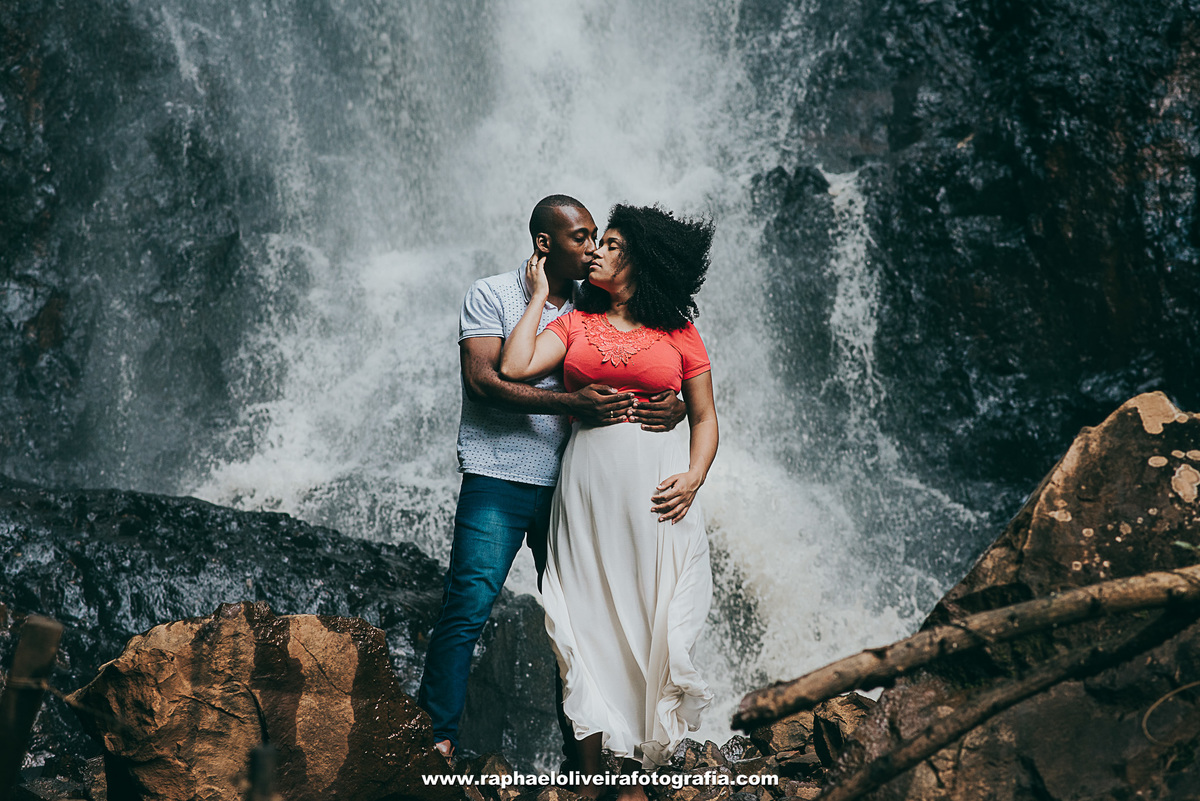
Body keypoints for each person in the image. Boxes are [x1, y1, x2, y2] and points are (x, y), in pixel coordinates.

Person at [416, 195, 687, 763]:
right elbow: (483, 383)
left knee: (581, 620)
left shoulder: (597, 303)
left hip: (572, 489)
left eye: (598, 238)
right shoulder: (492, 294)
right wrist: (571, 402)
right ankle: (436, 739)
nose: (593, 249)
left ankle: (587, 761)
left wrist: (678, 405)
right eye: (580, 238)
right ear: (545, 243)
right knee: (468, 605)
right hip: (498, 477)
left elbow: (647, 362)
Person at [500, 204, 718, 800]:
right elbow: (513, 366)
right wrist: (539, 297)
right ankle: (594, 781)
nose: (595, 250)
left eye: (612, 244)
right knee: (587, 619)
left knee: (651, 616)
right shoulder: (574, 321)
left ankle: (638, 774)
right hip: (587, 490)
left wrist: (694, 477)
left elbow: (704, 417)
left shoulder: (678, 331)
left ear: (639, 261)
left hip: (657, 495)